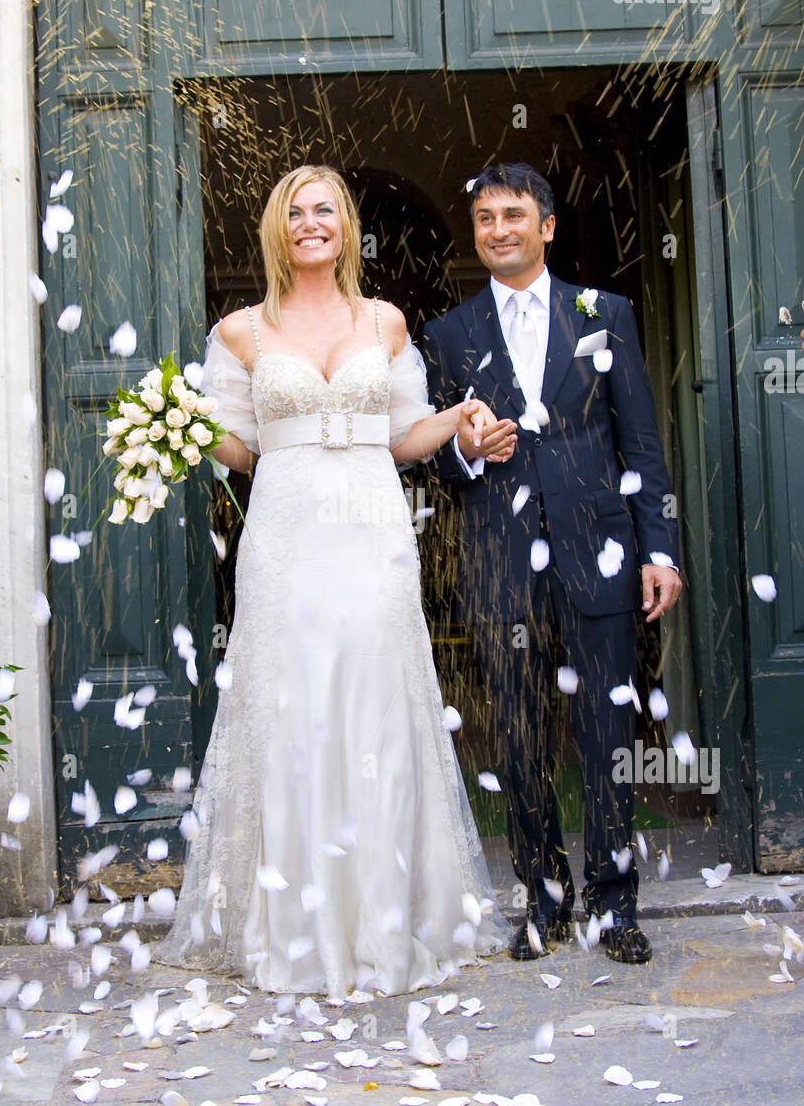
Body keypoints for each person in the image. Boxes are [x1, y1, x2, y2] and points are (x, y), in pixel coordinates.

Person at [155, 165, 510, 998]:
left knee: (375, 703)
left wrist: (455, 419)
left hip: (371, 528)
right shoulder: (239, 331)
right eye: (294, 212)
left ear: (345, 228)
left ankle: (386, 923)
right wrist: (187, 429)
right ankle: (295, 931)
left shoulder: (383, 321)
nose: (310, 223)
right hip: (285, 533)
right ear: (277, 230)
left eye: (324, 211)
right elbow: (241, 449)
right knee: (291, 706)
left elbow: (401, 435)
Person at [421, 163, 682, 965]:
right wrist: (465, 449)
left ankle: (613, 902)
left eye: (513, 215)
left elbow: (636, 438)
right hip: (500, 555)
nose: (497, 229)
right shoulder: (448, 333)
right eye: (484, 218)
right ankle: (541, 897)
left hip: (600, 549)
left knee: (606, 730)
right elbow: (430, 462)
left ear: (546, 226)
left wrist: (659, 547)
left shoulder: (602, 314)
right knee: (518, 735)